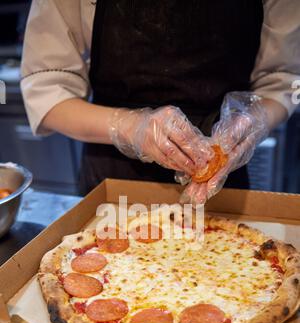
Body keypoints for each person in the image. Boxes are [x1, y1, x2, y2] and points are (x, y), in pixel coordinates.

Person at [21, 0, 300, 204]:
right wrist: (130, 127)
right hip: (113, 174)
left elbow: (285, 79)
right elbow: (46, 89)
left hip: (221, 177)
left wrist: (255, 120)